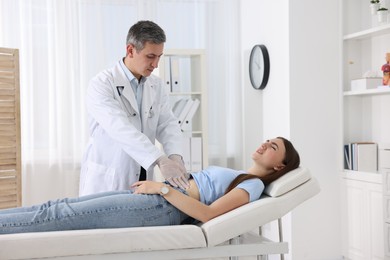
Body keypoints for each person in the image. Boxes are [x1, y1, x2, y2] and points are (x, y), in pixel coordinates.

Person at [0, 137, 300, 234]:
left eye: (273, 146)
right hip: (156, 198)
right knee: (56, 207)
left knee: (60, 215)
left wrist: (162, 189)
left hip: (160, 205)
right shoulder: (239, 174)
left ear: (279, 166)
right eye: (267, 140)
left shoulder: (254, 187)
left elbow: (208, 215)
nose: (265, 144)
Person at [79, 20, 188, 196]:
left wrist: (175, 156)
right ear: (130, 50)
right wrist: (160, 159)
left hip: (143, 176)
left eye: (159, 57)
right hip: (110, 178)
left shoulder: (156, 85)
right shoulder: (102, 84)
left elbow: (167, 123)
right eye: (150, 57)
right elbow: (120, 128)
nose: (156, 65)